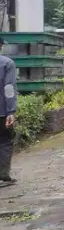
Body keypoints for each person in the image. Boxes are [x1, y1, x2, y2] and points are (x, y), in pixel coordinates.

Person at [0, 43, 18, 187]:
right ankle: (3, 176)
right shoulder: (6, 63)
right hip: (1, 112)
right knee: (5, 142)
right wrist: (11, 111)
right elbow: (9, 88)